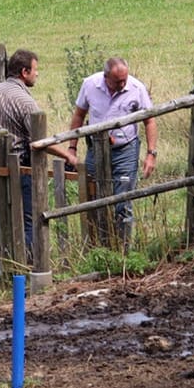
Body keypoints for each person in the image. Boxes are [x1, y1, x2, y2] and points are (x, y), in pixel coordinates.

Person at [0, 49, 78, 281]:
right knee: (28, 220)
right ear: (24, 72)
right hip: (21, 167)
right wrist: (67, 156)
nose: (37, 74)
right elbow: (38, 142)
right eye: (35, 70)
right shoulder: (26, 102)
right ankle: (29, 268)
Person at [68, 57, 159, 248]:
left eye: (124, 79)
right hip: (96, 150)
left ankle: (123, 249)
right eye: (118, 80)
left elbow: (149, 121)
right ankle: (97, 247)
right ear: (106, 77)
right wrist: (72, 147)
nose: (123, 83)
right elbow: (79, 115)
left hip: (125, 150)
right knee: (94, 198)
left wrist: (151, 154)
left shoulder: (136, 88)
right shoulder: (90, 85)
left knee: (122, 202)